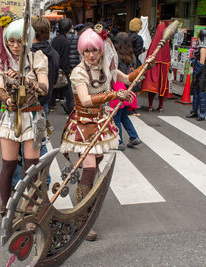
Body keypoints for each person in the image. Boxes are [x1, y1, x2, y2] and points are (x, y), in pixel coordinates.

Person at [60, 26, 152, 241]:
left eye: (95, 51)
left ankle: (86, 206)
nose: (91, 55)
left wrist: (144, 67)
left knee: (94, 165)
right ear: (81, 52)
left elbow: (128, 79)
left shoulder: (105, 67)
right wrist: (113, 94)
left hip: (100, 122)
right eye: (87, 51)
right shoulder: (79, 72)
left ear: (101, 51)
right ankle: (81, 219)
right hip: (83, 124)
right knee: (90, 168)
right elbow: (84, 100)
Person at [0, 17, 49, 216]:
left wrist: (25, 80)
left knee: (32, 167)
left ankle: (32, 208)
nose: (15, 46)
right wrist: (7, 100)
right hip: (9, 116)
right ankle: (6, 206)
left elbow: (44, 88)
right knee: (8, 164)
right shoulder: (0, 61)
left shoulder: (37, 57)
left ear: (28, 39)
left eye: (20, 41)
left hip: (34, 116)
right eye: (11, 41)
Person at [11, 16, 60, 188]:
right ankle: (44, 181)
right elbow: (51, 82)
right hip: (44, 103)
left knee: (26, 146)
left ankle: (27, 183)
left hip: (29, 105)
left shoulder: (31, 54)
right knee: (40, 142)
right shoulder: (53, 53)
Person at [111, 32, 142, 151]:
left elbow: (114, 75)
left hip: (119, 90)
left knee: (117, 118)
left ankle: (119, 141)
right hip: (129, 90)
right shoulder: (133, 57)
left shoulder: (116, 57)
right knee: (124, 116)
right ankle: (134, 137)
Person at [141, 24, 171, 112]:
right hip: (163, 68)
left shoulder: (154, 42)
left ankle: (150, 105)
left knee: (152, 87)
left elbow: (149, 54)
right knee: (162, 86)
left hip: (154, 67)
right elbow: (168, 56)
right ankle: (160, 106)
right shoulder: (166, 43)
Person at [186, 29, 206, 121]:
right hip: (200, 74)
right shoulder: (203, 47)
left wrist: (195, 72)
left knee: (201, 94)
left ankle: (202, 113)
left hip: (202, 75)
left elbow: (202, 62)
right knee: (196, 94)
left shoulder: (204, 49)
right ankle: (194, 111)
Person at [51, 18, 74, 114]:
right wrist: (68, 71)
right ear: (68, 29)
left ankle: (49, 107)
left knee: (54, 91)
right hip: (62, 71)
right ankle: (71, 111)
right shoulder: (65, 41)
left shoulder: (54, 39)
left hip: (54, 69)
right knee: (69, 94)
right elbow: (64, 59)